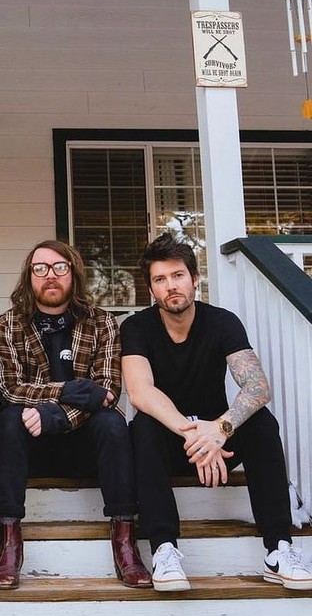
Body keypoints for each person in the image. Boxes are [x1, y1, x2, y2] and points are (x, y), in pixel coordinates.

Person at [122, 233, 312, 592]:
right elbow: (140, 390)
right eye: (160, 280)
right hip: (173, 438)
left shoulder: (222, 322)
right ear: (151, 289)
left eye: (178, 275)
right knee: (142, 427)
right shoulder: (137, 327)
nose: (171, 286)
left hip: (219, 441)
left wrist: (220, 429)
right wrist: (194, 431)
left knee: (261, 422)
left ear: (195, 279)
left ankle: (278, 548)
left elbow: (258, 388)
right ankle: (164, 549)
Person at [0, 240, 150, 590]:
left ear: (73, 274)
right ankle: (9, 540)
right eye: (41, 268)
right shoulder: (8, 324)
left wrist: (57, 416)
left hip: (86, 448)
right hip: (30, 448)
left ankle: (125, 539)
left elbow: (107, 390)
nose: (50, 276)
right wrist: (67, 391)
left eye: (60, 267)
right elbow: (10, 388)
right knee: (6, 418)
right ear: (29, 277)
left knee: (112, 422)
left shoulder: (102, 323)